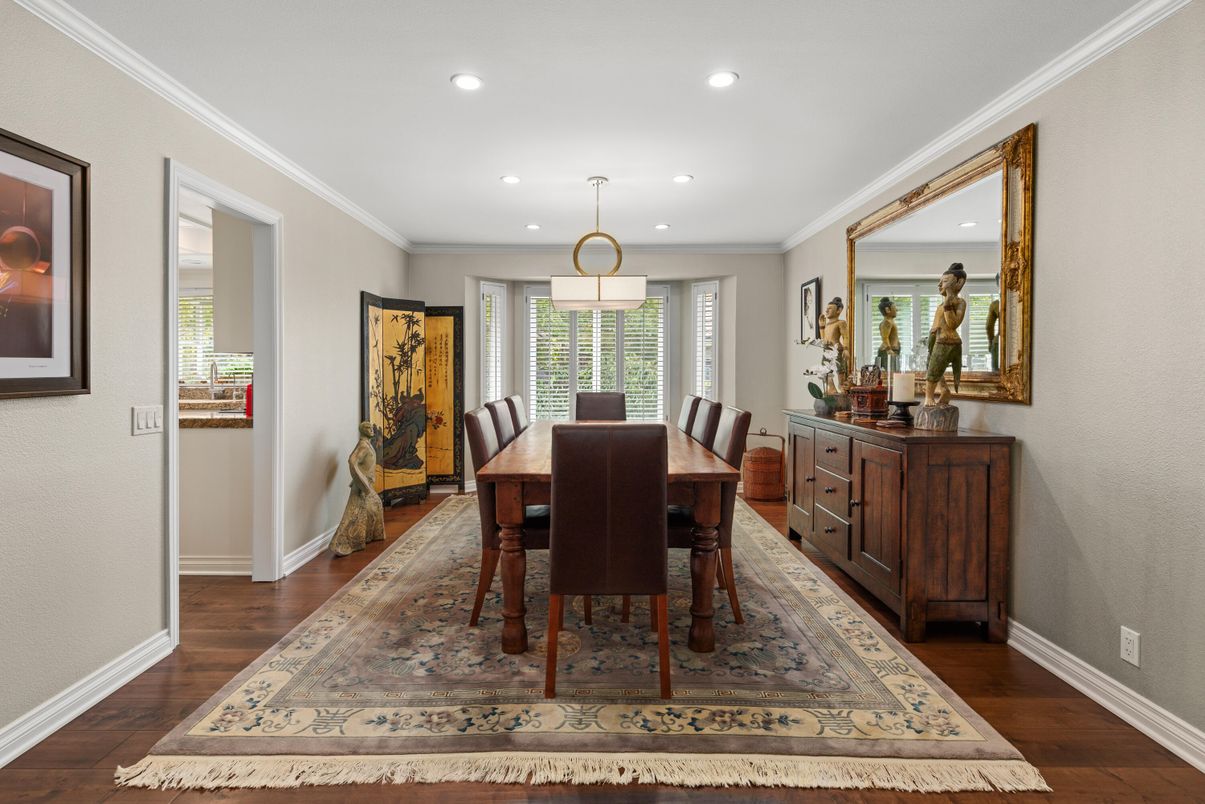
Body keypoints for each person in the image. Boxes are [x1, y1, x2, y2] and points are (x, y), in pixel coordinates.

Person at [924, 263, 967, 406]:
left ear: (959, 282)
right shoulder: (939, 306)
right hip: (937, 339)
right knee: (931, 366)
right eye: (939, 281)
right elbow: (936, 325)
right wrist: (930, 339)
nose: (939, 285)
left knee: (933, 369)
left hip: (948, 341)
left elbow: (953, 323)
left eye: (944, 281)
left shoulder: (960, 303)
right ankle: (944, 390)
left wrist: (948, 301)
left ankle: (929, 397)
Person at [876, 297, 901, 371]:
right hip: (888, 352)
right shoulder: (887, 322)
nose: (896, 310)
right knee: (890, 374)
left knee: (895, 373)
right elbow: (885, 337)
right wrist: (889, 350)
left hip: (893, 351)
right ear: (887, 310)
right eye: (894, 308)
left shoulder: (890, 322)